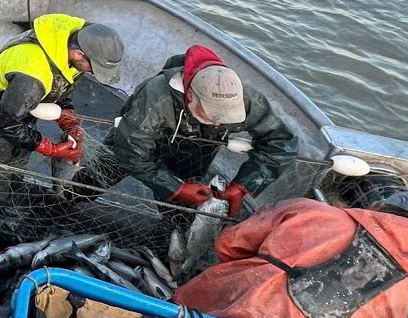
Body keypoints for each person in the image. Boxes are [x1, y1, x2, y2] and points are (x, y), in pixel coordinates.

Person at [173, 191, 408, 318]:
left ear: (377, 207)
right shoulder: (399, 302)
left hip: (215, 312)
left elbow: (228, 244)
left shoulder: (312, 211)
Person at [87, 44, 295, 215]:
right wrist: (174, 187)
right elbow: (129, 150)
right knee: (97, 177)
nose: (218, 122)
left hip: (192, 158)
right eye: (212, 114)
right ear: (191, 96)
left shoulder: (247, 100)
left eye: (225, 117)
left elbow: (281, 143)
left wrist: (244, 185)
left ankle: (172, 244)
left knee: (180, 214)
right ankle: (69, 201)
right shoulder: (154, 97)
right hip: (137, 143)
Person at [0, 14, 126, 166]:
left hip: (22, 110)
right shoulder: (33, 72)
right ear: (78, 54)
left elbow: (60, 83)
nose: (93, 72)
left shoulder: (70, 44)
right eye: (94, 68)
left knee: (16, 170)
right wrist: (49, 149)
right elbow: (6, 123)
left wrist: (69, 121)